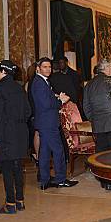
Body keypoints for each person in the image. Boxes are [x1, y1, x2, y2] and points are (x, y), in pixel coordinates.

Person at [0, 60, 31, 214]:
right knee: (18, 168)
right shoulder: (19, 88)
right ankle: (20, 201)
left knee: (7, 169)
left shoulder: (0, 88)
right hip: (20, 132)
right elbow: (28, 111)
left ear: (4, 71)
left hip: (6, 133)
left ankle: (10, 203)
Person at [30, 57, 78, 190]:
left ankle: (45, 180)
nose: (48, 69)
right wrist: (61, 101)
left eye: (49, 67)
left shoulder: (42, 81)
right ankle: (61, 179)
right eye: (45, 67)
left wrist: (56, 96)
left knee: (45, 152)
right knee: (58, 150)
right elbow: (46, 104)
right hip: (48, 123)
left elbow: (45, 99)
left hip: (45, 122)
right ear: (38, 68)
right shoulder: (39, 82)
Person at [83, 59, 111, 191]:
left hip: (98, 122)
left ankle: (103, 180)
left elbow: (86, 107)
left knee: (101, 152)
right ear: (105, 68)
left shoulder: (89, 85)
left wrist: (94, 119)